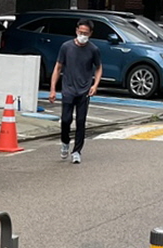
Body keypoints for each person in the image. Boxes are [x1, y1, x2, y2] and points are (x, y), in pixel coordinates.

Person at [47, 20, 102, 165]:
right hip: (68, 89)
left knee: (80, 121)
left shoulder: (93, 50)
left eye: (86, 33)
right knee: (66, 120)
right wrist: (53, 89)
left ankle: (77, 151)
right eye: (80, 32)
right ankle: (65, 142)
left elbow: (98, 67)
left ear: (90, 34)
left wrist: (95, 85)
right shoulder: (66, 47)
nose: (82, 35)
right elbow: (58, 68)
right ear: (76, 31)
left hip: (84, 90)